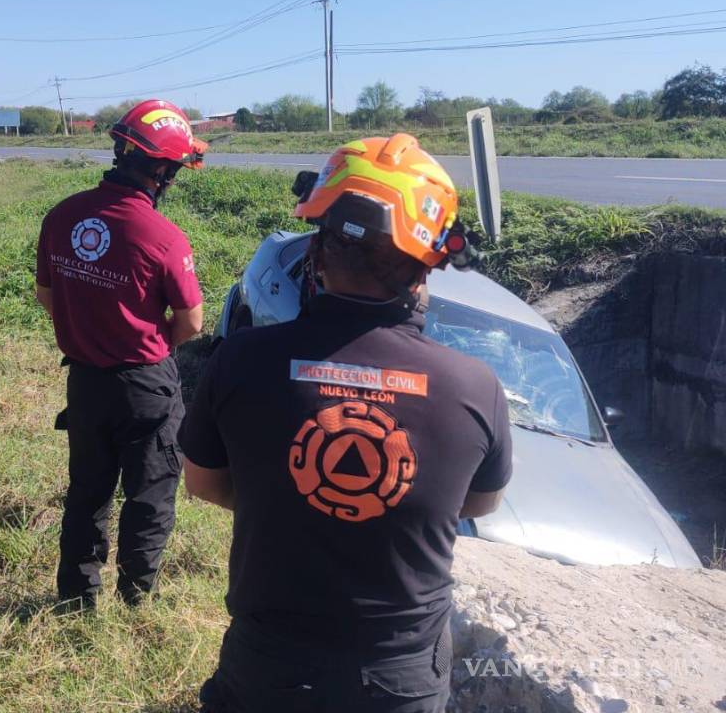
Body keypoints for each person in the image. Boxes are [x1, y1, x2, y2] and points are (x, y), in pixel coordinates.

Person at [179, 134, 513, 712]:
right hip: (401, 678)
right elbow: (478, 504)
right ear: (430, 258)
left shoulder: (243, 359)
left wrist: (289, 497)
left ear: (317, 248)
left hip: (268, 667)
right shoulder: (474, 386)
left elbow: (203, 482)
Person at [35, 99, 208, 607]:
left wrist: (91, 330)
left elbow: (48, 295)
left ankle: (76, 597)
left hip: (85, 382)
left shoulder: (62, 215)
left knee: (87, 491)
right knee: (150, 493)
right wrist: (150, 345)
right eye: (173, 169)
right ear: (159, 169)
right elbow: (192, 322)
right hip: (146, 386)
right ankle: (136, 599)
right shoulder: (164, 237)